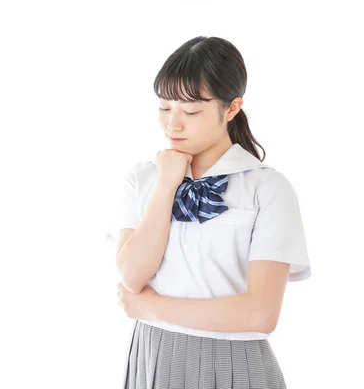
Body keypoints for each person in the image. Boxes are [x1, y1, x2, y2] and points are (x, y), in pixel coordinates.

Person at [114, 36, 311, 389]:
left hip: (234, 363)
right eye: (164, 108)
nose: (173, 124)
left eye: (190, 111)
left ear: (232, 108)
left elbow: (261, 313)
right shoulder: (143, 179)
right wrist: (166, 185)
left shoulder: (267, 189)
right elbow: (131, 276)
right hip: (151, 356)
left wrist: (151, 309)